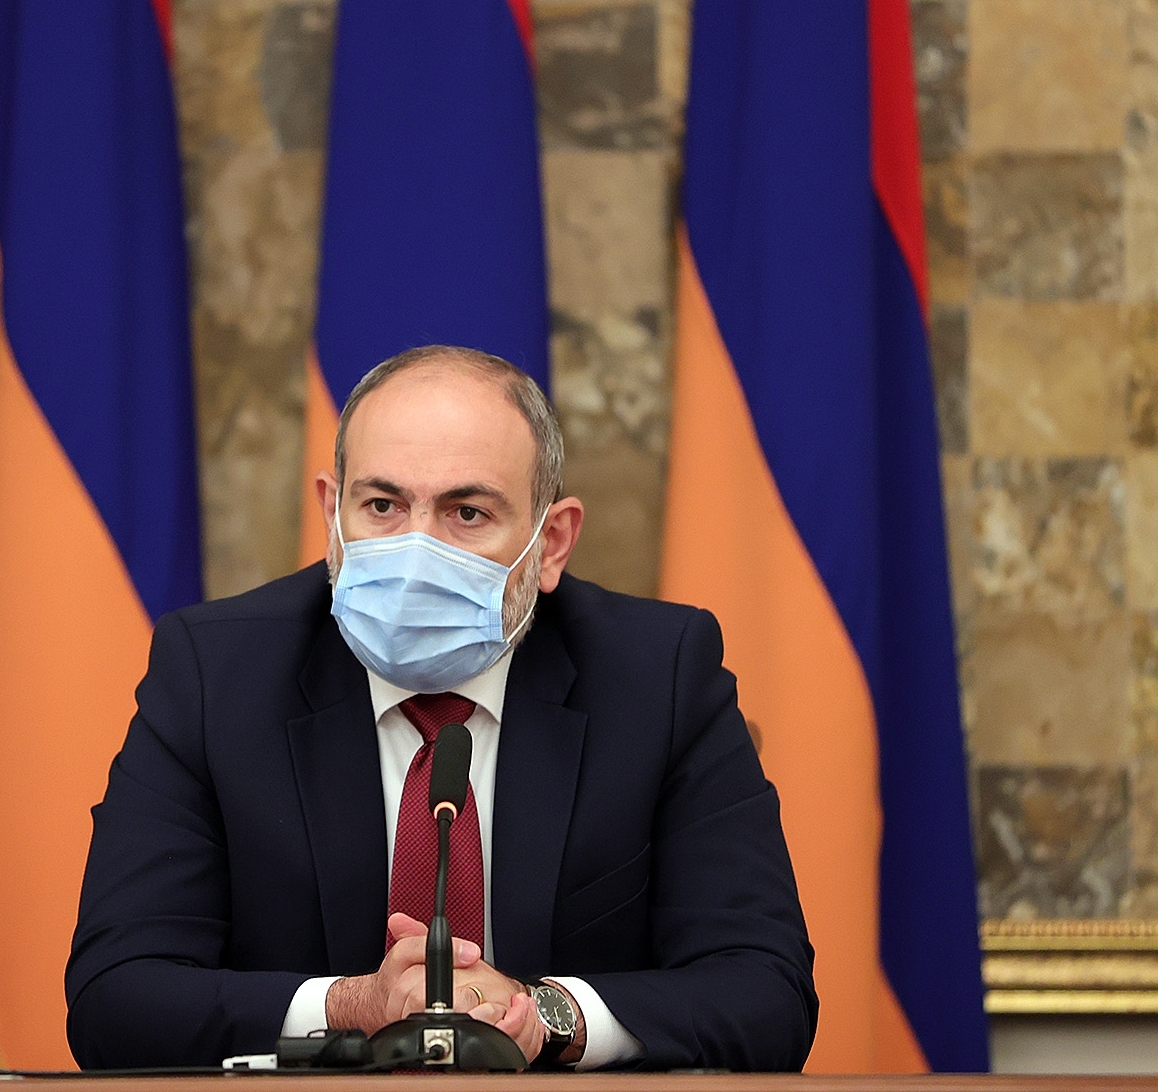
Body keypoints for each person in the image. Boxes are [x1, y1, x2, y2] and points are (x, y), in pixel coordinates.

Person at [66, 346, 816, 1071]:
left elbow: (765, 992)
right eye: (382, 505)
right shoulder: (215, 674)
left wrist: (542, 1014)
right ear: (331, 514)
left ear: (552, 543)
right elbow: (115, 996)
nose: (415, 552)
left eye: (467, 512)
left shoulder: (660, 677)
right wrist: (352, 1006)